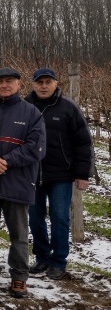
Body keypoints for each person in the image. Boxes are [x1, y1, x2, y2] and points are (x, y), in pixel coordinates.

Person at [0, 67, 46, 298]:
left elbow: (37, 147)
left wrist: (5, 161)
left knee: (19, 234)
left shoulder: (32, 113)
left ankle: (19, 277)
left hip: (17, 182)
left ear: (18, 84)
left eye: (9, 81)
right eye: (0, 81)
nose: (5, 85)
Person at [25, 67, 92, 280]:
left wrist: (82, 174)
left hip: (61, 175)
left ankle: (59, 261)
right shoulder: (26, 107)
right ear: (33, 84)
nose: (43, 86)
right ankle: (42, 256)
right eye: (39, 82)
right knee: (35, 218)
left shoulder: (68, 108)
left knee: (60, 217)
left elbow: (83, 142)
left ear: (55, 83)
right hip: (33, 174)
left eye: (48, 82)